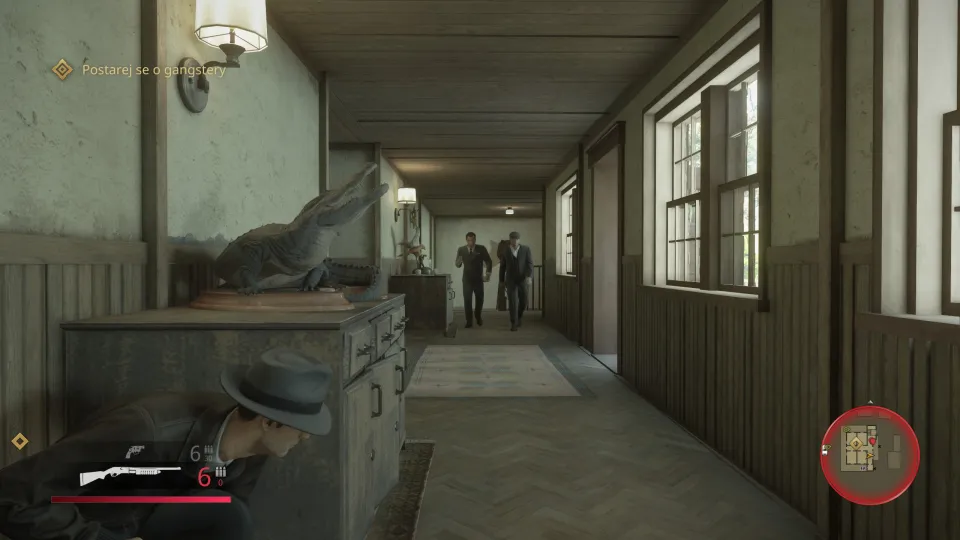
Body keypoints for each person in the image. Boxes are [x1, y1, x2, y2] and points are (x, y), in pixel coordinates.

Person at [0, 347, 333, 540]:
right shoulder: (145, 429)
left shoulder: (253, 448)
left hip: (146, 519)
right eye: (301, 427)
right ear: (268, 422)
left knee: (230, 514)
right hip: (88, 527)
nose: (305, 436)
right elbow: (10, 496)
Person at [454, 232, 493, 328]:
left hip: (478, 279)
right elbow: (458, 265)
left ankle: (478, 315)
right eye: (468, 240)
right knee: (467, 300)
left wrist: (488, 274)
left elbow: (488, 261)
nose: (470, 242)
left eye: (472, 240)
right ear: (466, 240)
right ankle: (469, 321)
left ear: (475, 240)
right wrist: (458, 262)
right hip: (467, 279)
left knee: (480, 299)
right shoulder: (461, 250)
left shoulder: (481, 248)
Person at [499, 231, 534, 331]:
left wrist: (529, 276)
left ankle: (519, 317)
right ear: (510, 240)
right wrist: (501, 281)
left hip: (522, 280)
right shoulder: (505, 251)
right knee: (513, 302)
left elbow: (530, 264)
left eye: (516, 239)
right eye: (512, 239)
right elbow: (502, 267)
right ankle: (513, 323)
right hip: (511, 280)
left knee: (524, 301)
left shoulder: (526, 249)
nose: (514, 241)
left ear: (519, 240)